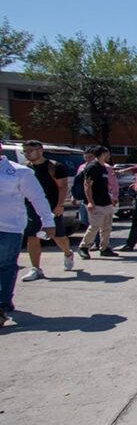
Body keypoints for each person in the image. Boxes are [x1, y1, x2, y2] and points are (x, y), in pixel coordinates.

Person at [0, 139, 55, 325]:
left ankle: (2, 305)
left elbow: (37, 197)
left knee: (5, 265)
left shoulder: (19, 172)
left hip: (9, 228)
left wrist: (48, 221)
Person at [19, 140, 75, 279]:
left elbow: (62, 187)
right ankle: (36, 268)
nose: (27, 154)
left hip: (52, 207)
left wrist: (60, 205)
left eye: (30, 151)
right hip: (31, 208)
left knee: (57, 236)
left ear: (40, 150)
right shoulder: (25, 168)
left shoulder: (55, 166)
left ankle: (68, 253)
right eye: (24, 151)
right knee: (32, 237)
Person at [77, 146, 119, 259]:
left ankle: (105, 248)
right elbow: (87, 185)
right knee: (95, 226)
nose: (109, 155)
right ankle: (83, 247)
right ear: (102, 154)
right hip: (95, 202)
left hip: (105, 201)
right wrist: (90, 202)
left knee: (107, 226)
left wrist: (112, 197)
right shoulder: (92, 167)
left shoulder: (103, 167)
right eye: (107, 153)